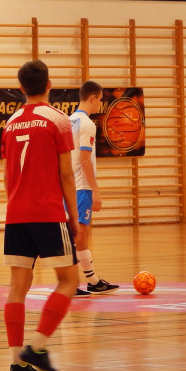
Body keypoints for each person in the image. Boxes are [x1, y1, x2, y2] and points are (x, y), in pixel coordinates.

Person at [1, 60, 80, 371]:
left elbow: (8, 176)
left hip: (15, 213)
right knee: (70, 280)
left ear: (21, 89)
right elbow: (65, 174)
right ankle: (37, 345)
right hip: (47, 212)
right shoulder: (58, 121)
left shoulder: (10, 123)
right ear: (50, 85)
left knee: (18, 287)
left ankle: (17, 363)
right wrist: (76, 219)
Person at [70, 81, 119, 295]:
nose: (100, 103)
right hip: (81, 186)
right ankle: (71, 283)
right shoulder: (87, 124)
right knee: (80, 234)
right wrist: (95, 191)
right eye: (100, 99)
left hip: (69, 184)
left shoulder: (68, 120)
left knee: (80, 233)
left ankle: (92, 280)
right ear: (93, 97)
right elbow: (85, 159)